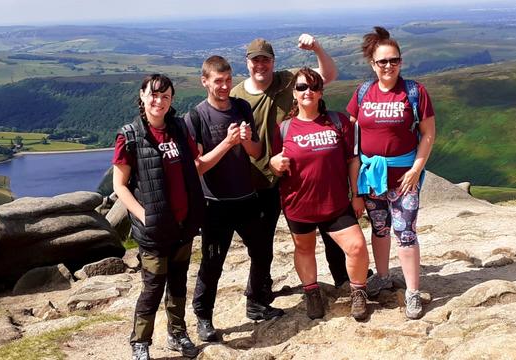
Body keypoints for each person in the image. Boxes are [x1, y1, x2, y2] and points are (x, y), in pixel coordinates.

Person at [230, 34, 350, 292]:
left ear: (273, 62)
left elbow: (327, 75)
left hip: (293, 175)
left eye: (265, 60)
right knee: (262, 242)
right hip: (258, 178)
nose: (260, 65)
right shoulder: (236, 95)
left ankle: (343, 278)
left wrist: (317, 46)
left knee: (330, 229)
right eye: (255, 60)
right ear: (247, 63)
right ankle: (258, 295)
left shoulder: (289, 81)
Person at [187, 56, 284, 343]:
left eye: (228, 80)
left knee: (262, 250)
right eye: (218, 81)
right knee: (213, 261)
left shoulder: (242, 107)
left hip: (246, 197)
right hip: (214, 203)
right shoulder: (196, 117)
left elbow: (256, 152)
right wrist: (227, 143)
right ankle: (203, 317)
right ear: (205, 81)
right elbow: (198, 166)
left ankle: (255, 303)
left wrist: (243, 141)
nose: (225, 86)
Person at [346, 26, 436, 319]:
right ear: (372, 63)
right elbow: (350, 131)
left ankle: (411, 292)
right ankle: (383, 276)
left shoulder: (414, 91)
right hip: (372, 177)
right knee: (380, 228)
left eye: (393, 60)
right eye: (382, 61)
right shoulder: (363, 93)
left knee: (406, 232)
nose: (388, 66)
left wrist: (416, 170)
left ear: (401, 61)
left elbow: (428, 134)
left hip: (404, 179)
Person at [112, 74, 203, 359]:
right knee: (152, 287)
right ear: (142, 96)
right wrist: (143, 215)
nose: (158, 101)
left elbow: (194, 163)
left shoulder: (178, 128)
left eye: (165, 96)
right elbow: (120, 185)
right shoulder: (129, 135)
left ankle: (177, 334)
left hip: (183, 224)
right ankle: (140, 342)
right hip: (153, 230)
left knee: (178, 284)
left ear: (171, 100)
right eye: (153, 95)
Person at [270, 67, 370, 320]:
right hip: (298, 203)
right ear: (294, 93)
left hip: (335, 203)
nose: (308, 92)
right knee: (304, 248)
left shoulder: (338, 122)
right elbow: (272, 160)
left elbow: (352, 160)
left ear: (321, 92)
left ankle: (358, 291)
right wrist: (274, 164)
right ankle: (311, 291)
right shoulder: (283, 129)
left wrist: (357, 194)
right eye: (302, 87)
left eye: (313, 87)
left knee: (357, 246)